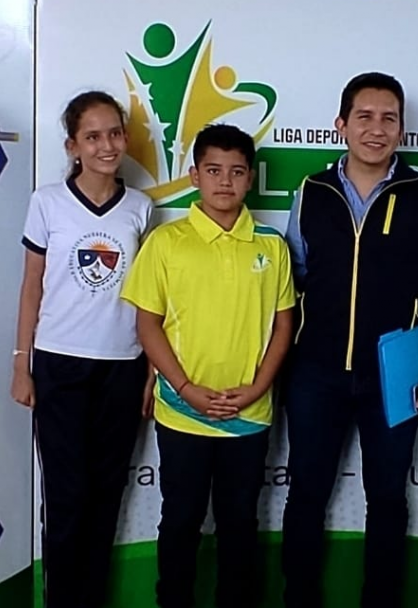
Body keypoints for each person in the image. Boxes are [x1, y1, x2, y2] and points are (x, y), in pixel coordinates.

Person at [281, 72, 418, 608]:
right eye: (364, 117)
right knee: (306, 494)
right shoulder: (312, 192)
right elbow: (293, 281)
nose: (376, 129)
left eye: (388, 119)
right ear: (341, 124)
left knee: (386, 498)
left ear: (402, 129)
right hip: (315, 372)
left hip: (396, 375)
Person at [120, 123, 295, 608]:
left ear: (251, 178)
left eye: (236, 172)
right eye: (213, 170)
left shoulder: (271, 245)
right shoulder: (166, 242)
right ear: (195, 176)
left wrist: (258, 388)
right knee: (181, 521)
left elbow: (284, 326)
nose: (225, 181)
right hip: (183, 413)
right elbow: (148, 324)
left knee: (240, 524)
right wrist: (184, 387)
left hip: (248, 414)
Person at [11, 90, 155, 608]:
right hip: (58, 365)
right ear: (73, 146)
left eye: (114, 133)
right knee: (66, 497)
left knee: (106, 495)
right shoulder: (47, 202)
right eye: (92, 137)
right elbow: (32, 286)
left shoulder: (141, 208)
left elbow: (149, 299)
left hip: (123, 367)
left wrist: (151, 373)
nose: (106, 145)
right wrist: (21, 363)